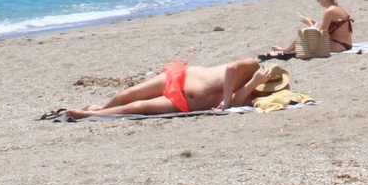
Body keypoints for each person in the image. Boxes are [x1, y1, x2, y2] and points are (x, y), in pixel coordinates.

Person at [65, 59, 273, 119]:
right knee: (125, 95)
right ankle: (102, 107)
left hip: (184, 102)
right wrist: (252, 79)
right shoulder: (251, 67)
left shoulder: (250, 97)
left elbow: (235, 104)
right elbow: (231, 68)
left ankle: (90, 114)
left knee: (138, 106)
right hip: (181, 77)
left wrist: (251, 87)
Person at [273, 0, 354, 54]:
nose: (318, 1)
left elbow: (320, 35)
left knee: (306, 34)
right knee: (308, 35)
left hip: (338, 45)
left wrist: (309, 23)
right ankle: (287, 49)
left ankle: (286, 50)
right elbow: (327, 29)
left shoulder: (329, 11)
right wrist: (314, 23)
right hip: (345, 44)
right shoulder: (338, 8)